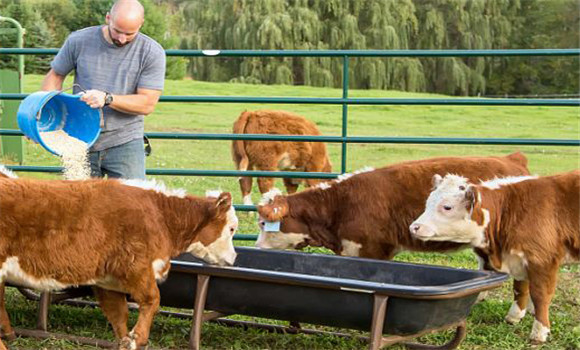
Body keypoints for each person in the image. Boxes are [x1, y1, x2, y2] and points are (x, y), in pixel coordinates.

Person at [41, 0, 165, 179]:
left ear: (141, 24)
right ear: (108, 18)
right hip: (79, 137)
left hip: (125, 140)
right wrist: (44, 113)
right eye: (117, 31)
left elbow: (147, 103)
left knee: (130, 204)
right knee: (78, 203)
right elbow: (55, 76)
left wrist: (107, 98)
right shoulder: (79, 40)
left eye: (129, 33)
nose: (122, 38)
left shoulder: (152, 52)